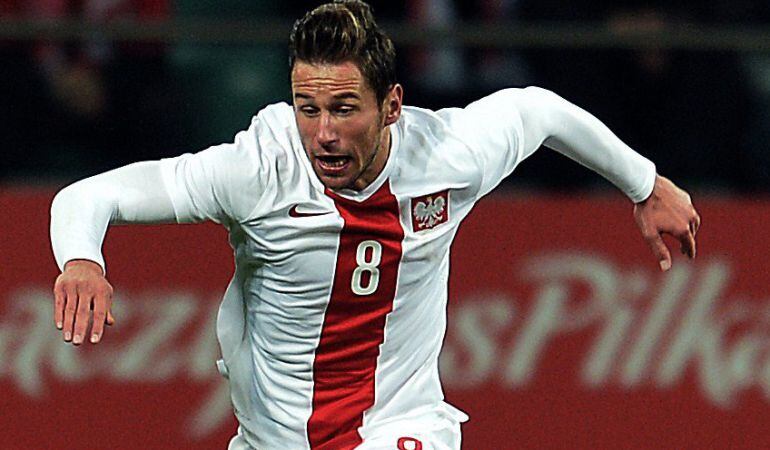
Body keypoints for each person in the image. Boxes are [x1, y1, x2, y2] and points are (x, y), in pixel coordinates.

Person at [49, 1, 701, 449]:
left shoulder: (446, 157)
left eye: (343, 108)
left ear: (392, 105)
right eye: (307, 108)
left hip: (400, 426)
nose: (323, 133)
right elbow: (89, 195)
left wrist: (645, 184)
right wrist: (82, 259)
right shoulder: (259, 171)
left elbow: (539, 112)